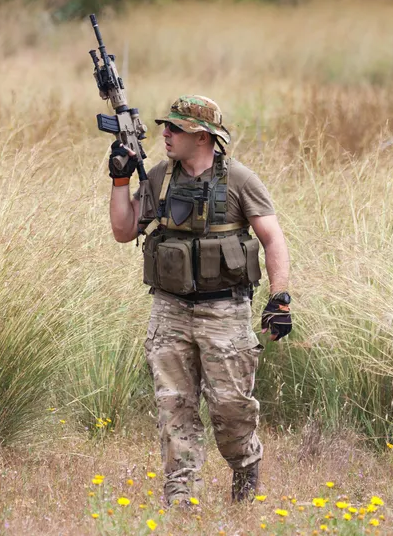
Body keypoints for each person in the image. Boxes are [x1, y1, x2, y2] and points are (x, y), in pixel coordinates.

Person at [108, 95, 292, 506]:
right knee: (174, 407)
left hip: (225, 312)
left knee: (231, 410)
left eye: (176, 128)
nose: (166, 134)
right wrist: (120, 181)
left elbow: (273, 239)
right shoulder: (159, 177)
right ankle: (180, 501)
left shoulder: (241, 181)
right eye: (165, 126)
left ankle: (245, 470)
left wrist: (280, 298)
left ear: (203, 136)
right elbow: (123, 230)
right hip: (169, 310)